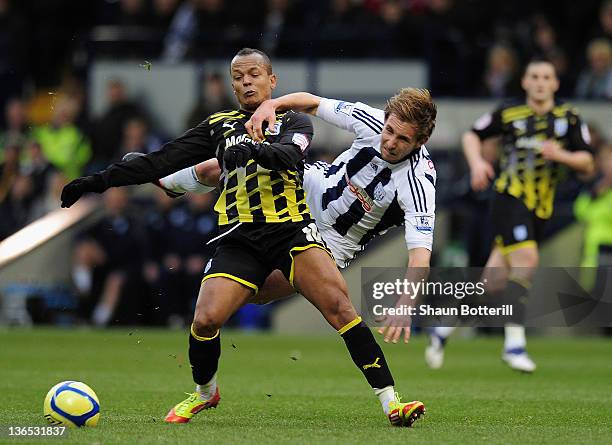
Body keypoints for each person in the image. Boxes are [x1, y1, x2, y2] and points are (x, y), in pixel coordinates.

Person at [60, 48, 424, 427]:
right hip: (240, 237)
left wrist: (249, 147)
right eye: (238, 77)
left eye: (254, 74)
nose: (246, 82)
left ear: (272, 80)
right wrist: (96, 182)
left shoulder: (293, 121)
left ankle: (391, 403)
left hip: (292, 232)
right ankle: (205, 393)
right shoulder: (219, 124)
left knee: (340, 308)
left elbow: (288, 156)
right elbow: (163, 156)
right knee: (205, 320)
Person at [154, 88, 437, 344]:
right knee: (231, 164)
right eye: (389, 131)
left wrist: (404, 306)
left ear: (421, 140)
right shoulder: (372, 120)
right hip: (312, 185)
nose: (390, 142)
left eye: (403, 139)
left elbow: (420, 256)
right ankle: (167, 181)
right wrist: (272, 104)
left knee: (259, 291)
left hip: (332, 242)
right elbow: (312, 103)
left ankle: (215, 282)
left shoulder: (419, 183)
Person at [427, 58, 594, 373]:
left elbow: (587, 161)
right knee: (527, 260)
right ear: (525, 83)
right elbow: (471, 135)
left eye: (547, 77)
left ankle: (443, 327)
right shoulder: (509, 113)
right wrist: (477, 164)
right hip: (509, 197)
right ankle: (514, 343)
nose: (541, 82)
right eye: (535, 76)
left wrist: (562, 155)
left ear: (556, 84)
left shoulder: (569, 118)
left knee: (492, 283)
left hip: (540, 208)